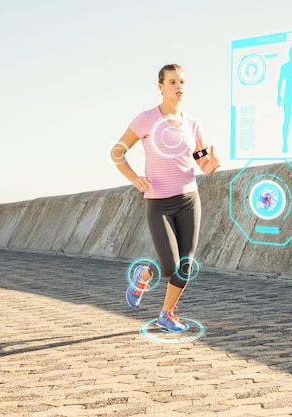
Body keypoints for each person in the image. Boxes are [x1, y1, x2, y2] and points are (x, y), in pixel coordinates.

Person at [110, 64, 221, 332]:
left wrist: (212, 165)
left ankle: (167, 314)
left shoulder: (193, 125)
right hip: (158, 202)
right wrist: (134, 178)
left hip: (188, 200)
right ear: (160, 86)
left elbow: (202, 164)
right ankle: (142, 276)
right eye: (172, 82)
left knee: (185, 264)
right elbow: (117, 152)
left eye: (182, 82)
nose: (179, 87)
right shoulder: (146, 119)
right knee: (170, 264)